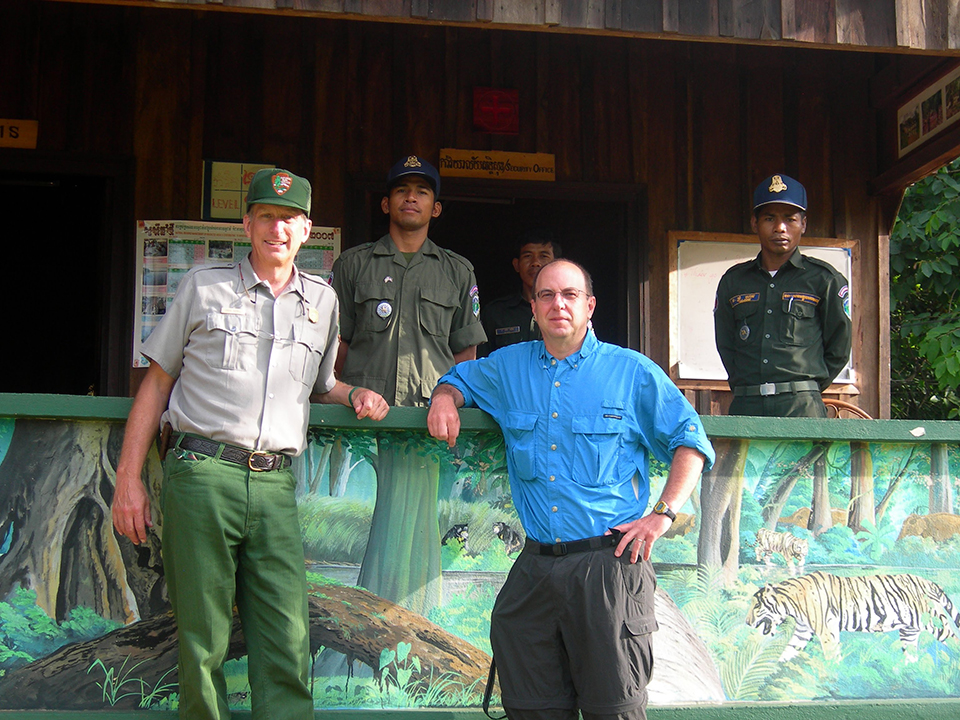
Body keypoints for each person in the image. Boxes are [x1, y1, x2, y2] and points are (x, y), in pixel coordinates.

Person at [111, 168, 388, 720]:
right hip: (202, 474)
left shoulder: (322, 301)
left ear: (307, 230)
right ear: (247, 224)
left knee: (286, 636)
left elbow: (323, 385)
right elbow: (156, 385)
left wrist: (357, 393)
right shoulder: (203, 285)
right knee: (202, 637)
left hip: (274, 483)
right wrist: (128, 479)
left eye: (289, 219)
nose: (277, 228)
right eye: (266, 216)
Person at [427, 259, 715, 720]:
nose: (558, 304)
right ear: (534, 308)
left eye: (570, 295)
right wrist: (444, 398)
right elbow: (457, 378)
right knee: (531, 710)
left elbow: (691, 441)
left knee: (614, 711)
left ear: (589, 306)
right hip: (535, 569)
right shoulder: (507, 368)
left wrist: (663, 512)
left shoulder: (631, 372)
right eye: (546, 295)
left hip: (608, 569)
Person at [331, 154, 486, 406]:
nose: (411, 197)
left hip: (428, 417)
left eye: (422, 192)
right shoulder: (352, 265)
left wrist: (448, 400)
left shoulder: (458, 271)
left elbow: (466, 355)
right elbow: (338, 345)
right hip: (362, 415)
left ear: (436, 208)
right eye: (401, 190)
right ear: (385, 204)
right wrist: (345, 396)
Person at [714, 173, 852, 417]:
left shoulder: (824, 279)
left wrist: (805, 389)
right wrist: (747, 386)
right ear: (755, 223)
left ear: (804, 224)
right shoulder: (734, 281)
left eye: (790, 219)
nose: (780, 228)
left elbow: (839, 347)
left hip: (801, 407)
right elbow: (726, 344)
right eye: (769, 218)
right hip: (747, 405)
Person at [479, 229, 560, 355]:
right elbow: (480, 366)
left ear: (556, 264)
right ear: (516, 265)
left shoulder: (567, 310)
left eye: (543, 256)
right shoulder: (494, 314)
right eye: (528, 256)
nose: (535, 263)